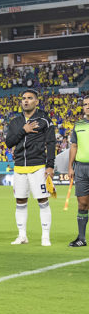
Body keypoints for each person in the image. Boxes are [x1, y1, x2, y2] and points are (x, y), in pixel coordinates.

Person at [5, 89, 55, 246]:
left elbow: (51, 143)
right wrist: (23, 130)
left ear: (37, 101)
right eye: (23, 98)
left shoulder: (45, 120)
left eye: (29, 98)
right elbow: (9, 143)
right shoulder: (15, 122)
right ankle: (22, 236)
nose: (25, 101)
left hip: (38, 166)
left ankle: (45, 236)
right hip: (19, 167)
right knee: (20, 201)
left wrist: (50, 165)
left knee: (42, 200)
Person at [68, 96, 89, 247]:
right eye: (85, 104)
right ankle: (81, 238)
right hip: (81, 168)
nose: (87, 106)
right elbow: (74, 146)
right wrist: (70, 166)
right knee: (82, 203)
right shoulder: (78, 125)